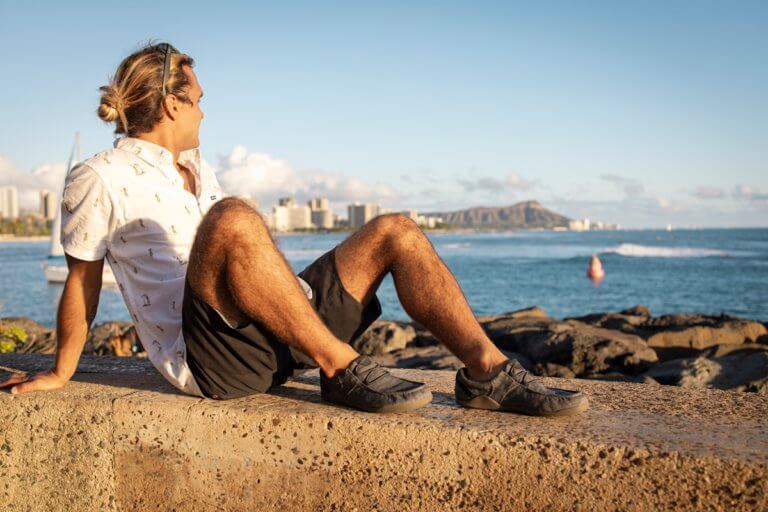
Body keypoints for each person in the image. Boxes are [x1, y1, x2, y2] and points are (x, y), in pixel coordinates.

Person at [0, 42, 587, 416]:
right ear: (172, 105)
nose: (206, 110)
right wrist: (61, 370)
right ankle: (339, 366)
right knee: (233, 217)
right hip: (216, 357)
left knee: (396, 230)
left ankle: (489, 374)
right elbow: (82, 279)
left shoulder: (197, 166)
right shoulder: (98, 177)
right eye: (199, 99)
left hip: (281, 330)